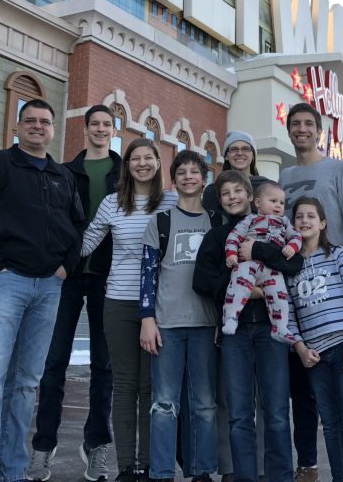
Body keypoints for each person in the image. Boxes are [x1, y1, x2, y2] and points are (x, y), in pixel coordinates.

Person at [0, 99, 84, 482]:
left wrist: (67, 266)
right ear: (18, 126)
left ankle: (10, 472)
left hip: (48, 287)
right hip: (4, 283)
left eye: (45, 121)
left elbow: (77, 227)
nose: (38, 126)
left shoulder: (63, 176)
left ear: (54, 129)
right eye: (31, 121)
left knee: (26, 384)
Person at [27, 105, 122, 482]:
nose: (100, 129)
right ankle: (42, 447)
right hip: (66, 276)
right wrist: (56, 261)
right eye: (95, 124)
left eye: (107, 125)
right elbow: (55, 221)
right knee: (54, 364)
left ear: (114, 131)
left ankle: (96, 445)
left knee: (104, 367)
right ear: (85, 129)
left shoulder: (125, 173)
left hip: (109, 279)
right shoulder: (65, 172)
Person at [194, 171, 304, 482]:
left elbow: (294, 263)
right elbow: (201, 280)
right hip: (236, 333)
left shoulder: (276, 227)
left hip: (271, 330)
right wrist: (242, 288)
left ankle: (280, 476)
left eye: (237, 192)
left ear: (249, 195)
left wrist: (256, 251)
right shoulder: (217, 236)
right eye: (225, 193)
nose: (232, 198)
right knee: (240, 414)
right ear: (219, 198)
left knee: (277, 411)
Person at [278, 103, 343, 482]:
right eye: (295, 124)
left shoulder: (340, 170)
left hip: (338, 301)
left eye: (308, 125)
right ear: (288, 130)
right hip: (303, 298)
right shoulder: (284, 175)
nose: (301, 130)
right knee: (313, 404)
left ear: (319, 131)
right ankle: (313, 467)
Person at [82, 138, 179, 481]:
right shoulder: (112, 203)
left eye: (148, 157)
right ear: (128, 165)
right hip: (120, 301)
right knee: (124, 385)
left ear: (157, 162)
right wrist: (47, 255)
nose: (142, 163)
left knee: (150, 386)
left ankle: (148, 462)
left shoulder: (172, 201)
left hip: (161, 304)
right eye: (135, 158)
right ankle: (127, 465)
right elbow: (88, 241)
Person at [140, 150, 219, 482]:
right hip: (167, 324)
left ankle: (202, 471)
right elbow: (147, 276)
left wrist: (223, 321)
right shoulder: (161, 222)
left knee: (204, 405)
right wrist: (147, 319)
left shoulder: (217, 221)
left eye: (195, 172)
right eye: (182, 172)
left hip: (206, 325)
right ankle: (161, 472)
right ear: (174, 181)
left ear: (204, 179)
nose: (189, 177)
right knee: (164, 405)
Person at [287, 198, 343, 482]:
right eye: (299, 216)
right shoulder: (290, 266)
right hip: (315, 357)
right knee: (331, 424)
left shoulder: (338, 255)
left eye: (311, 216)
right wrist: (299, 348)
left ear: (322, 223)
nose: (304, 220)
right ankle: (340, 478)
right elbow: (287, 313)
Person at [223, 182, 302, 342]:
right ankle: (231, 317)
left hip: (271, 268)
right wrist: (231, 254)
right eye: (273, 201)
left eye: (281, 202)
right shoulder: (250, 219)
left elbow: (296, 236)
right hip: (248, 263)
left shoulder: (285, 222)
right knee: (238, 285)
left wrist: (292, 247)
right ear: (258, 203)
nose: (278, 206)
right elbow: (234, 236)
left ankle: (280, 327)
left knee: (280, 295)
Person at [202, 131, 270, 214]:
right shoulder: (212, 190)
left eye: (245, 149)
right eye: (234, 149)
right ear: (226, 156)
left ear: (253, 155)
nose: (240, 153)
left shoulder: (266, 186)